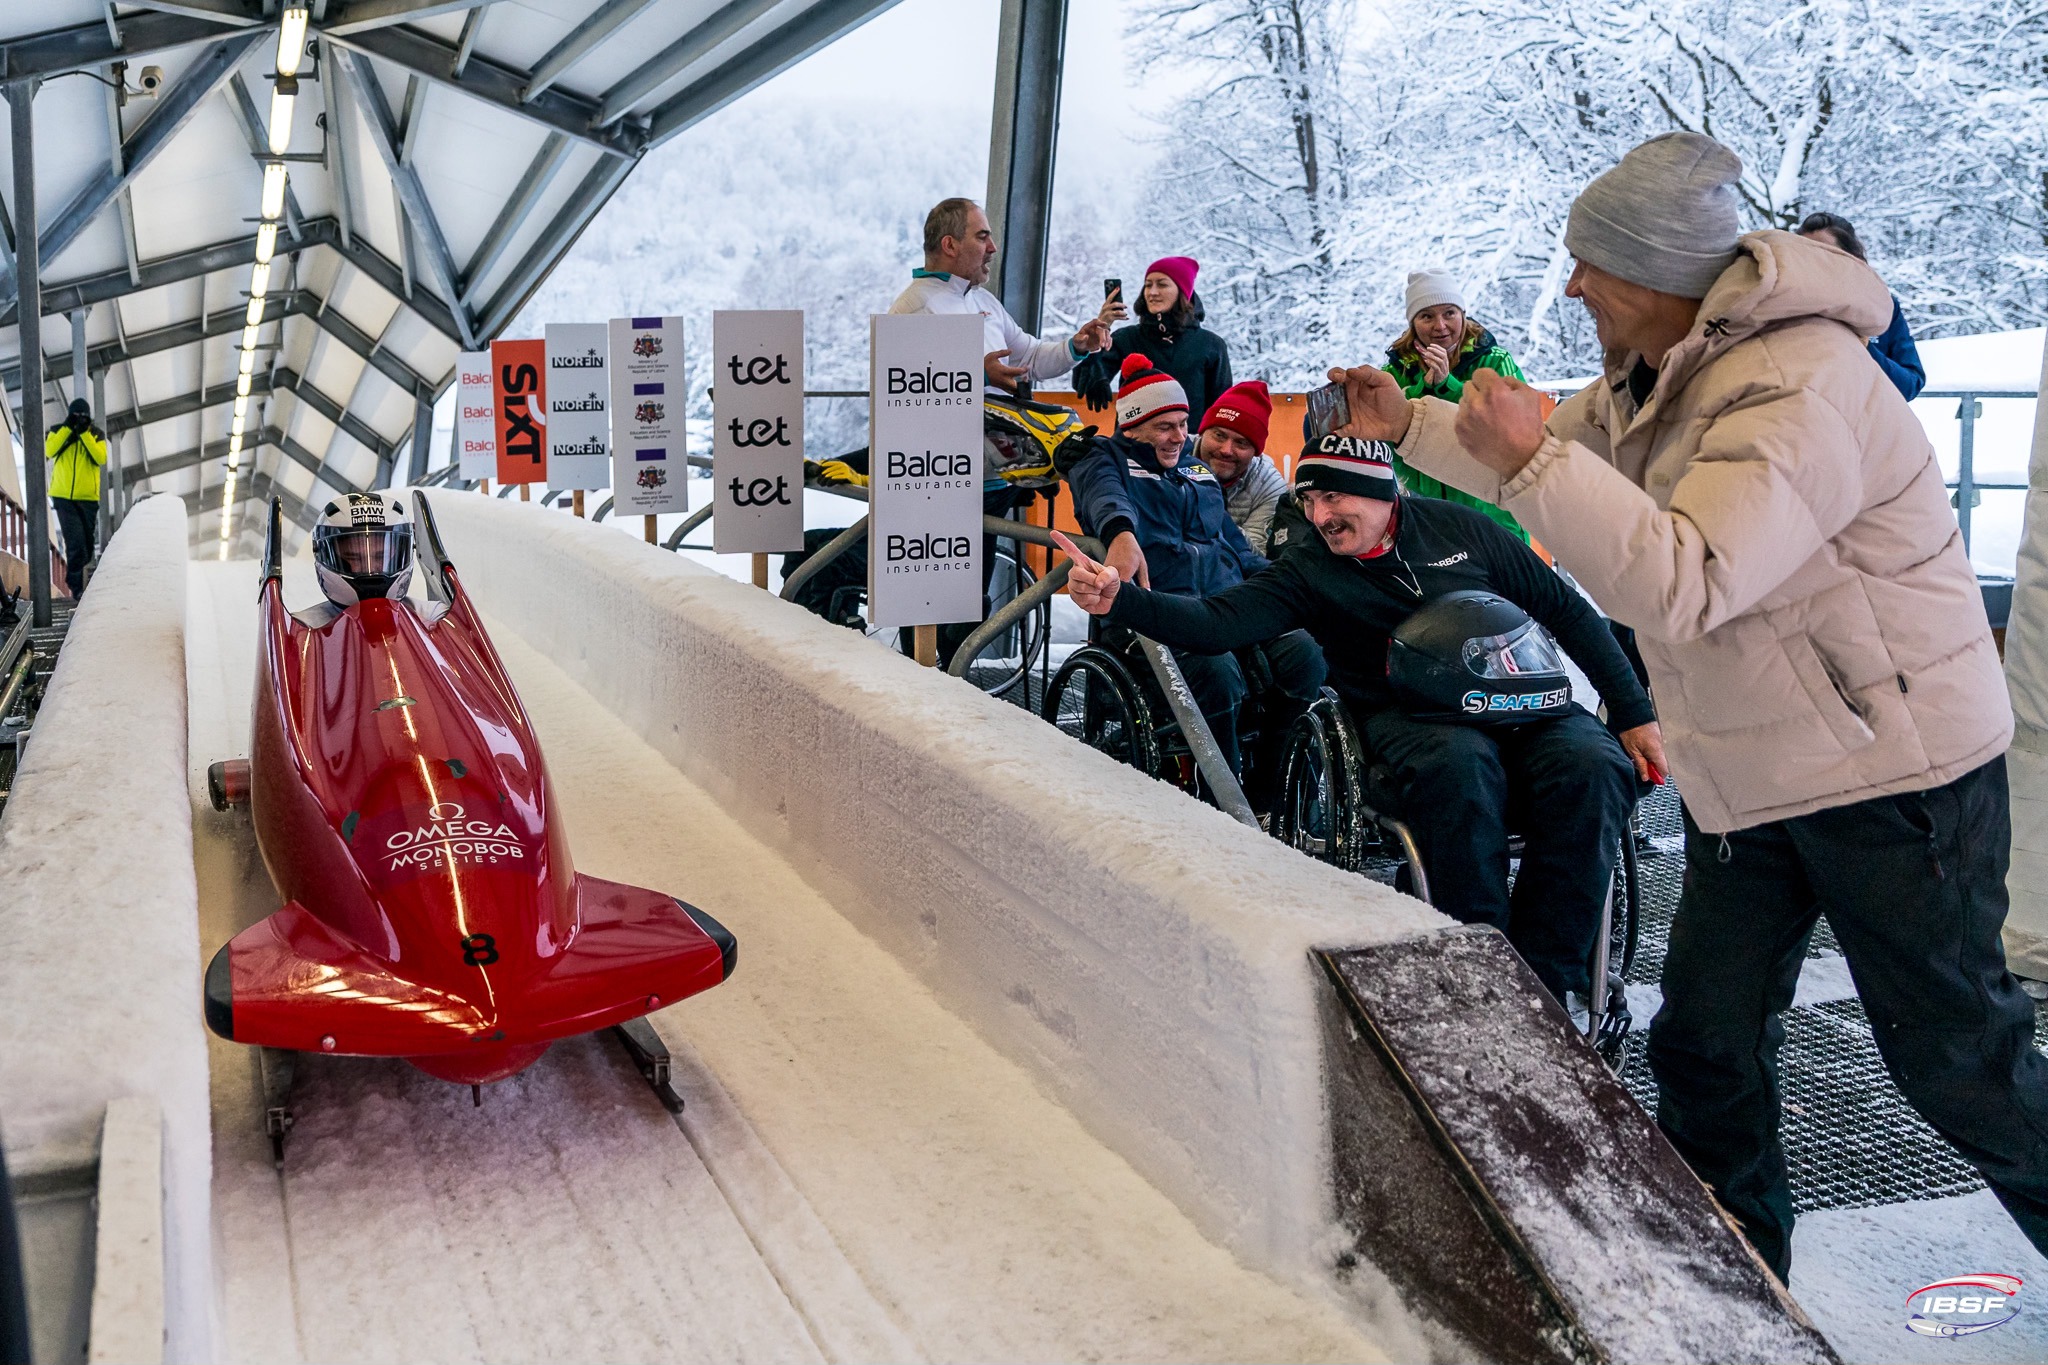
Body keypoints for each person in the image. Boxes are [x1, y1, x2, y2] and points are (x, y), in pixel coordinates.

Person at [1330, 129, 2048, 1281]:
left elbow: (1684, 576)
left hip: (1889, 775)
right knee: (1703, 1041)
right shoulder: (1661, 374)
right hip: (1755, 775)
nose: (1568, 286)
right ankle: (1730, 1282)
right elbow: (1549, 458)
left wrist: (1527, 463)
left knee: (1956, 1061)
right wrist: (1408, 425)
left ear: (1654, 271)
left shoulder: (1796, 382)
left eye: (1584, 263)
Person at [1055, 434, 1658, 1011]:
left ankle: (1550, 982)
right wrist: (1122, 601)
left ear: (1381, 491)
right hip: (1410, 715)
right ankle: (1483, 974)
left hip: (1521, 697)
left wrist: (1633, 713)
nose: (1320, 516)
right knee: (1462, 772)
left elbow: (1568, 611)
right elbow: (1217, 622)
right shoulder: (1310, 567)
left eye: (1333, 498)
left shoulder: (1461, 530)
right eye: (1309, 501)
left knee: (1595, 765)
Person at [1063, 356, 1325, 779]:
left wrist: (1297, 588)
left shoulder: (1197, 471)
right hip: (1158, 616)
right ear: (1132, 425)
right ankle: (1221, 798)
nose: (1179, 437)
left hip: (1222, 610)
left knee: (1304, 655)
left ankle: (1272, 785)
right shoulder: (1103, 458)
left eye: (1184, 424)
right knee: (1216, 670)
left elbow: (1236, 549)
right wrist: (1121, 535)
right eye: (1165, 426)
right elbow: (1103, 497)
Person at [889, 197, 1118, 395]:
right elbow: (907, 398)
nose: (993, 247)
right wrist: (979, 377)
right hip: (949, 445)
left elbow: (1031, 358)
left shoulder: (982, 299)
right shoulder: (913, 308)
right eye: (982, 237)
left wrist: (1076, 346)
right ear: (950, 245)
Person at [1382, 269, 1529, 543]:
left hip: (1493, 518)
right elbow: (1388, 435)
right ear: (1413, 323)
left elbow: (1516, 425)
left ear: (1462, 314)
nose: (1440, 326)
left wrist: (1449, 386)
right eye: (1427, 316)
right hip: (1427, 519)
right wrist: (1421, 390)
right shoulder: (1395, 370)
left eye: (1449, 312)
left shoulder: (1495, 360)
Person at [1074, 257, 1235, 423]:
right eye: (1148, 284)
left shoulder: (1211, 345)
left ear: (1183, 292)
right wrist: (1100, 330)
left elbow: (1219, 410)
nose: (1152, 292)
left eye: (1162, 284)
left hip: (1186, 445)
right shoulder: (1126, 338)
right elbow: (1082, 382)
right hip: (1132, 445)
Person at [1798, 211, 1925, 400]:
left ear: (1852, 258)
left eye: (1828, 254)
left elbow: (1909, 386)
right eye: (1806, 253)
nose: (1817, 262)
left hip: (1867, 425)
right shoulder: (1778, 309)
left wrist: (1864, 346)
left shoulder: (1882, 308)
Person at [1192, 380, 1290, 554]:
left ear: (1255, 452)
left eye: (1241, 443)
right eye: (1219, 436)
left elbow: (1256, 555)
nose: (1226, 450)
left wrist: (1211, 512)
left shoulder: (1268, 485)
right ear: (1202, 432)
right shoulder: (1172, 455)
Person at [44, 398, 107, 598]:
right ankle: (77, 587)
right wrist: (68, 428)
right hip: (63, 497)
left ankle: (76, 582)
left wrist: (84, 433)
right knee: (75, 542)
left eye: (83, 416)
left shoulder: (96, 434)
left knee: (87, 545)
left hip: (88, 499)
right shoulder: (58, 430)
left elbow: (100, 458)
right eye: (75, 416)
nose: (79, 419)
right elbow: (49, 450)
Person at [312, 491, 413, 607]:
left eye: (382, 556)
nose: (370, 568)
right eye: (353, 557)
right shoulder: (304, 624)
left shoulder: (431, 616)